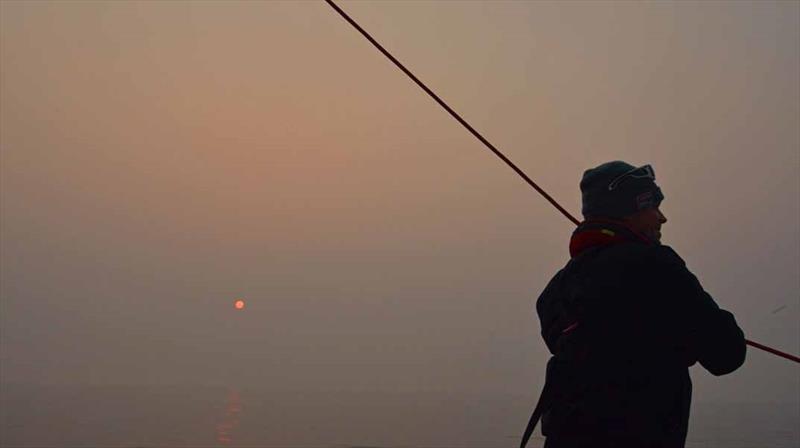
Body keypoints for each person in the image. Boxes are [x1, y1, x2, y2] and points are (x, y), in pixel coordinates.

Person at [522, 161, 746, 448]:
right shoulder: (657, 266)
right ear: (628, 212)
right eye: (651, 206)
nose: (661, 217)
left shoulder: (555, 291)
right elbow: (726, 354)